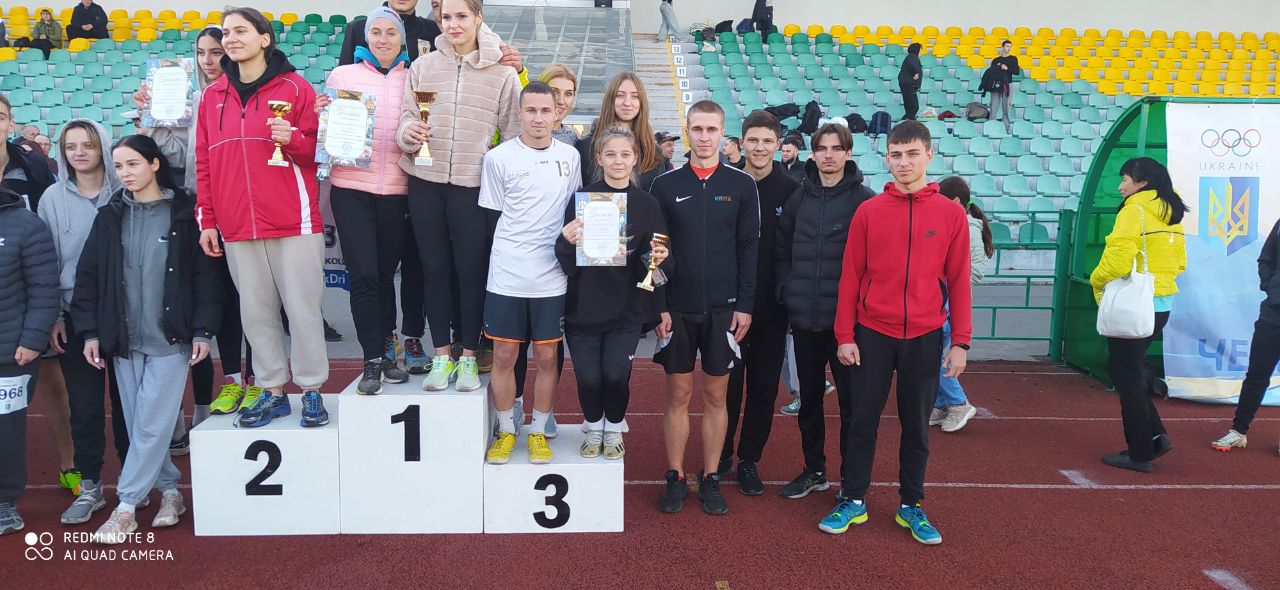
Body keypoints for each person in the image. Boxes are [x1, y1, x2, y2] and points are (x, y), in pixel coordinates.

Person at [824, 121, 971, 545]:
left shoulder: (950, 214)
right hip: (872, 332)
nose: (903, 162)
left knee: (916, 425)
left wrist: (960, 341)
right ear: (886, 158)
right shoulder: (869, 212)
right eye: (896, 155)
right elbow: (851, 276)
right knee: (861, 422)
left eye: (911, 154)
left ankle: (911, 504)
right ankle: (853, 499)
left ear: (929, 155)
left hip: (925, 334)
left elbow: (959, 280)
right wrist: (844, 334)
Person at [73, 134, 220, 542]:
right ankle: (171, 490)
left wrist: (202, 329)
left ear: (155, 164)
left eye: (133, 164)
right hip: (123, 340)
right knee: (143, 423)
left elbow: (205, 278)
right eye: (119, 166)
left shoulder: (184, 214)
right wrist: (90, 332)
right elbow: (88, 276)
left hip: (170, 340)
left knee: (152, 424)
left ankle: (126, 506)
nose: (125, 173)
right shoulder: (109, 215)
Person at [195, 8, 329, 428]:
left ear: (265, 38)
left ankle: (311, 390)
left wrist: (295, 140)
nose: (231, 39)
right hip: (237, 223)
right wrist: (208, 220)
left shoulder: (296, 87)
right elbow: (204, 162)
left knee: (303, 311)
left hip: (293, 220)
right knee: (255, 314)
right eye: (227, 32)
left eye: (241, 31)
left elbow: (318, 152)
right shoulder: (212, 96)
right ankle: (272, 391)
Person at [397, 0, 521, 393]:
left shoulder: (503, 72)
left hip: (473, 187)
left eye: (462, 16)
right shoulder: (423, 66)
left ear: (478, 17)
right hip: (425, 181)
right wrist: (408, 135)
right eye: (447, 17)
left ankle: (468, 355)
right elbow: (406, 118)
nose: (453, 24)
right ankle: (440, 356)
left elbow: (513, 134)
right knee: (433, 271)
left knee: (471, 273)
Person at [132, 26, 242, 454]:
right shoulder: (184, 99)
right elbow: (175, 158)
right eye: (201, 52)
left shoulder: (238, 96)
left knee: (233, 300)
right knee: (190, 303)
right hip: (191, 213)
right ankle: (195, 407)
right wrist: (152, 117)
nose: (209, 60)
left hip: (230, 211)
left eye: (216, 51)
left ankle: (238, 381)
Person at [652, 100, 760, 516]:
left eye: (711, 129)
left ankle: (712, 477)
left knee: (717, 396)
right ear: (687, 131)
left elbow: (748, 248)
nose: (703, 136)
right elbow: (655, 251)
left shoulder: (741, 184)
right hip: (677, 309)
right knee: (678, 394)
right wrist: (659, 304)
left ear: (722, 132)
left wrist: (745, 304)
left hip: (723, 310)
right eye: (697, 129)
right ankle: (675, 475)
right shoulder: (665, 185)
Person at [36, 119, 133, 524]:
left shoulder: (126, 191)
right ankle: (90, 484)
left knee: (128, 405)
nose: (79, 152)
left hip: (125, 314)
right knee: (86, 406)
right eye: (70, 146)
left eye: (87, 145)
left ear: (102, 148)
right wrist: (57, 316)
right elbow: (48, 262)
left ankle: (133, 483)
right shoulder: (51, 198)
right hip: (76, 315)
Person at [480, 82, 581, 465]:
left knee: (547, 356)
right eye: (531, 110)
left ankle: (538, 430)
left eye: (545, 110)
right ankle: (507, 429)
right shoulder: (498, 158)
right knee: (505, 354)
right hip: (507, 273)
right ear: (519, 113)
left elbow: (573, 211)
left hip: (551, 275)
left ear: (557, 114)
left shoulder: (570, 157)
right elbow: (492, 218)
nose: (538, 118)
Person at [555, 125, 668, 460]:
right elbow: (566, 262)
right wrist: (566, 242)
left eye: (625, 154)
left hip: (626, 310)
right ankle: (594, 427)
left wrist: (658, 258)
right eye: (611, 154)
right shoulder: (581, 199)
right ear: (599, 158)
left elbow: (658, 261)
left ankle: (614, 427)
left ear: (635, 159)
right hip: (583, 308)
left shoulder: (648, 204)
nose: (618, 161)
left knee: (616, 375)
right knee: (588, 378)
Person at [775, 122, 874, 500]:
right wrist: (787, 292)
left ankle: (851, 479)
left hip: (848, 325)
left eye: (836, 148)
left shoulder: (865, 200)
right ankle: (814, 469)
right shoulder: (799, 198)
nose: (828, 155)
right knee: (810, 402)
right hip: (805, 319)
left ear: (848, 153)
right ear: (812, 153)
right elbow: (782, 251)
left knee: (851, 405)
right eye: (822, 148)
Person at [321, 7, 414, 395]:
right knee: (363, 276)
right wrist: (323, 118)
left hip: (397, 190)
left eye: (391, 33)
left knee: (384, 275)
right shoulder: (342, 76)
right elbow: (327, 132)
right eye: (376, 32)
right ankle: (372, 359)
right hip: (351, 188)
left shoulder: (415, 77)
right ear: (365, 37)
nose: (383, 39)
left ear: (401, 38)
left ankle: (388, 351)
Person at [1090, 157, 1187, 472]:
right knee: (1131, 371)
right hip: (1161, 304)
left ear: (1142, 182)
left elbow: (1118, 260)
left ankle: (1141, 453)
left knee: (1127, 378)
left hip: (1135, 304)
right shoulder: (1171, 212)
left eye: (1125, 179)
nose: (1121, 186)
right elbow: (1180, 261)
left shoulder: (1134, 210)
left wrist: (1096, 280)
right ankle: (1155, 437)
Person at [718, 111, 796, 495]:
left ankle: (749, 459)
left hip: (772, 310)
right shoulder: (727, 183)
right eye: (753, 140)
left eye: (767, 141)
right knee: (726, 387)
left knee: (763, 388)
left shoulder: (793, 190)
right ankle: (720, 454)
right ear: (742, 142)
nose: (760, 147)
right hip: (730, 307)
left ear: (778, 144)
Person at [0, 156, 58, 536]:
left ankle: (4, 501)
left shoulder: (26, 223)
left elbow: (44, 287)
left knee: (6, 429)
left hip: (10, 353)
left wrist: (33, 340)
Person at [1212, 216, 1280, 453]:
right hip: (1273, 312)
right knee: (1257, 374)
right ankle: (1238, 431)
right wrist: (1270, 287)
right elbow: (1266, 259)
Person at [930, 177, 992, 434]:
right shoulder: (957, 224)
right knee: (932, 351)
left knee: (934, 355)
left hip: (949, 301)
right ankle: (940, 404)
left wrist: (947, 280)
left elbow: (975, 271)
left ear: (955, 202)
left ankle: (958, 403)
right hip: (941, 298)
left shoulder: (967, 228)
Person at [576, 72, 664, 190]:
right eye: (620, 95)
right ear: (610, 99)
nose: (627, 103)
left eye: (635, 96)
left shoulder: (654, 152)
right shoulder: (585, 147)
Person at [2, 118, 55, 212]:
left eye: (37, 134)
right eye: (32, 134)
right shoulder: (14, 157)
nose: (35, 136)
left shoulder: (50, 164)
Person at [541, 64, 579, 146]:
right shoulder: (523, 134)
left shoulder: (572, 137)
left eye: (568, 94)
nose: (561, 101)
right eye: (554, 92)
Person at [987, 40, 1020, 131]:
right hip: (996, 85)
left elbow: (1017, 72)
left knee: (1007, 106)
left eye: (1010, 46)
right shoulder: (996, 60)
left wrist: (1007, 68)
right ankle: (991, 127)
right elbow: (991, 73)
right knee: (994, 105)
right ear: (1002, 47)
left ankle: (1006, 127)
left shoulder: (1013, 58)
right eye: (1007, 46)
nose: (1009, 48)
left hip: (1007, 84)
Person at [898, 43, 923, 121]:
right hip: (909, 84)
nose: (920, 52)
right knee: (914, 106)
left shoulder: (909, 57)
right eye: (920, 50)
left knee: (909, 107)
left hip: (906, 84)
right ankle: (906, 121)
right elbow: (912, 64)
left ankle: (907, 122)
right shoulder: (912, 57)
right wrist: (916, 72)